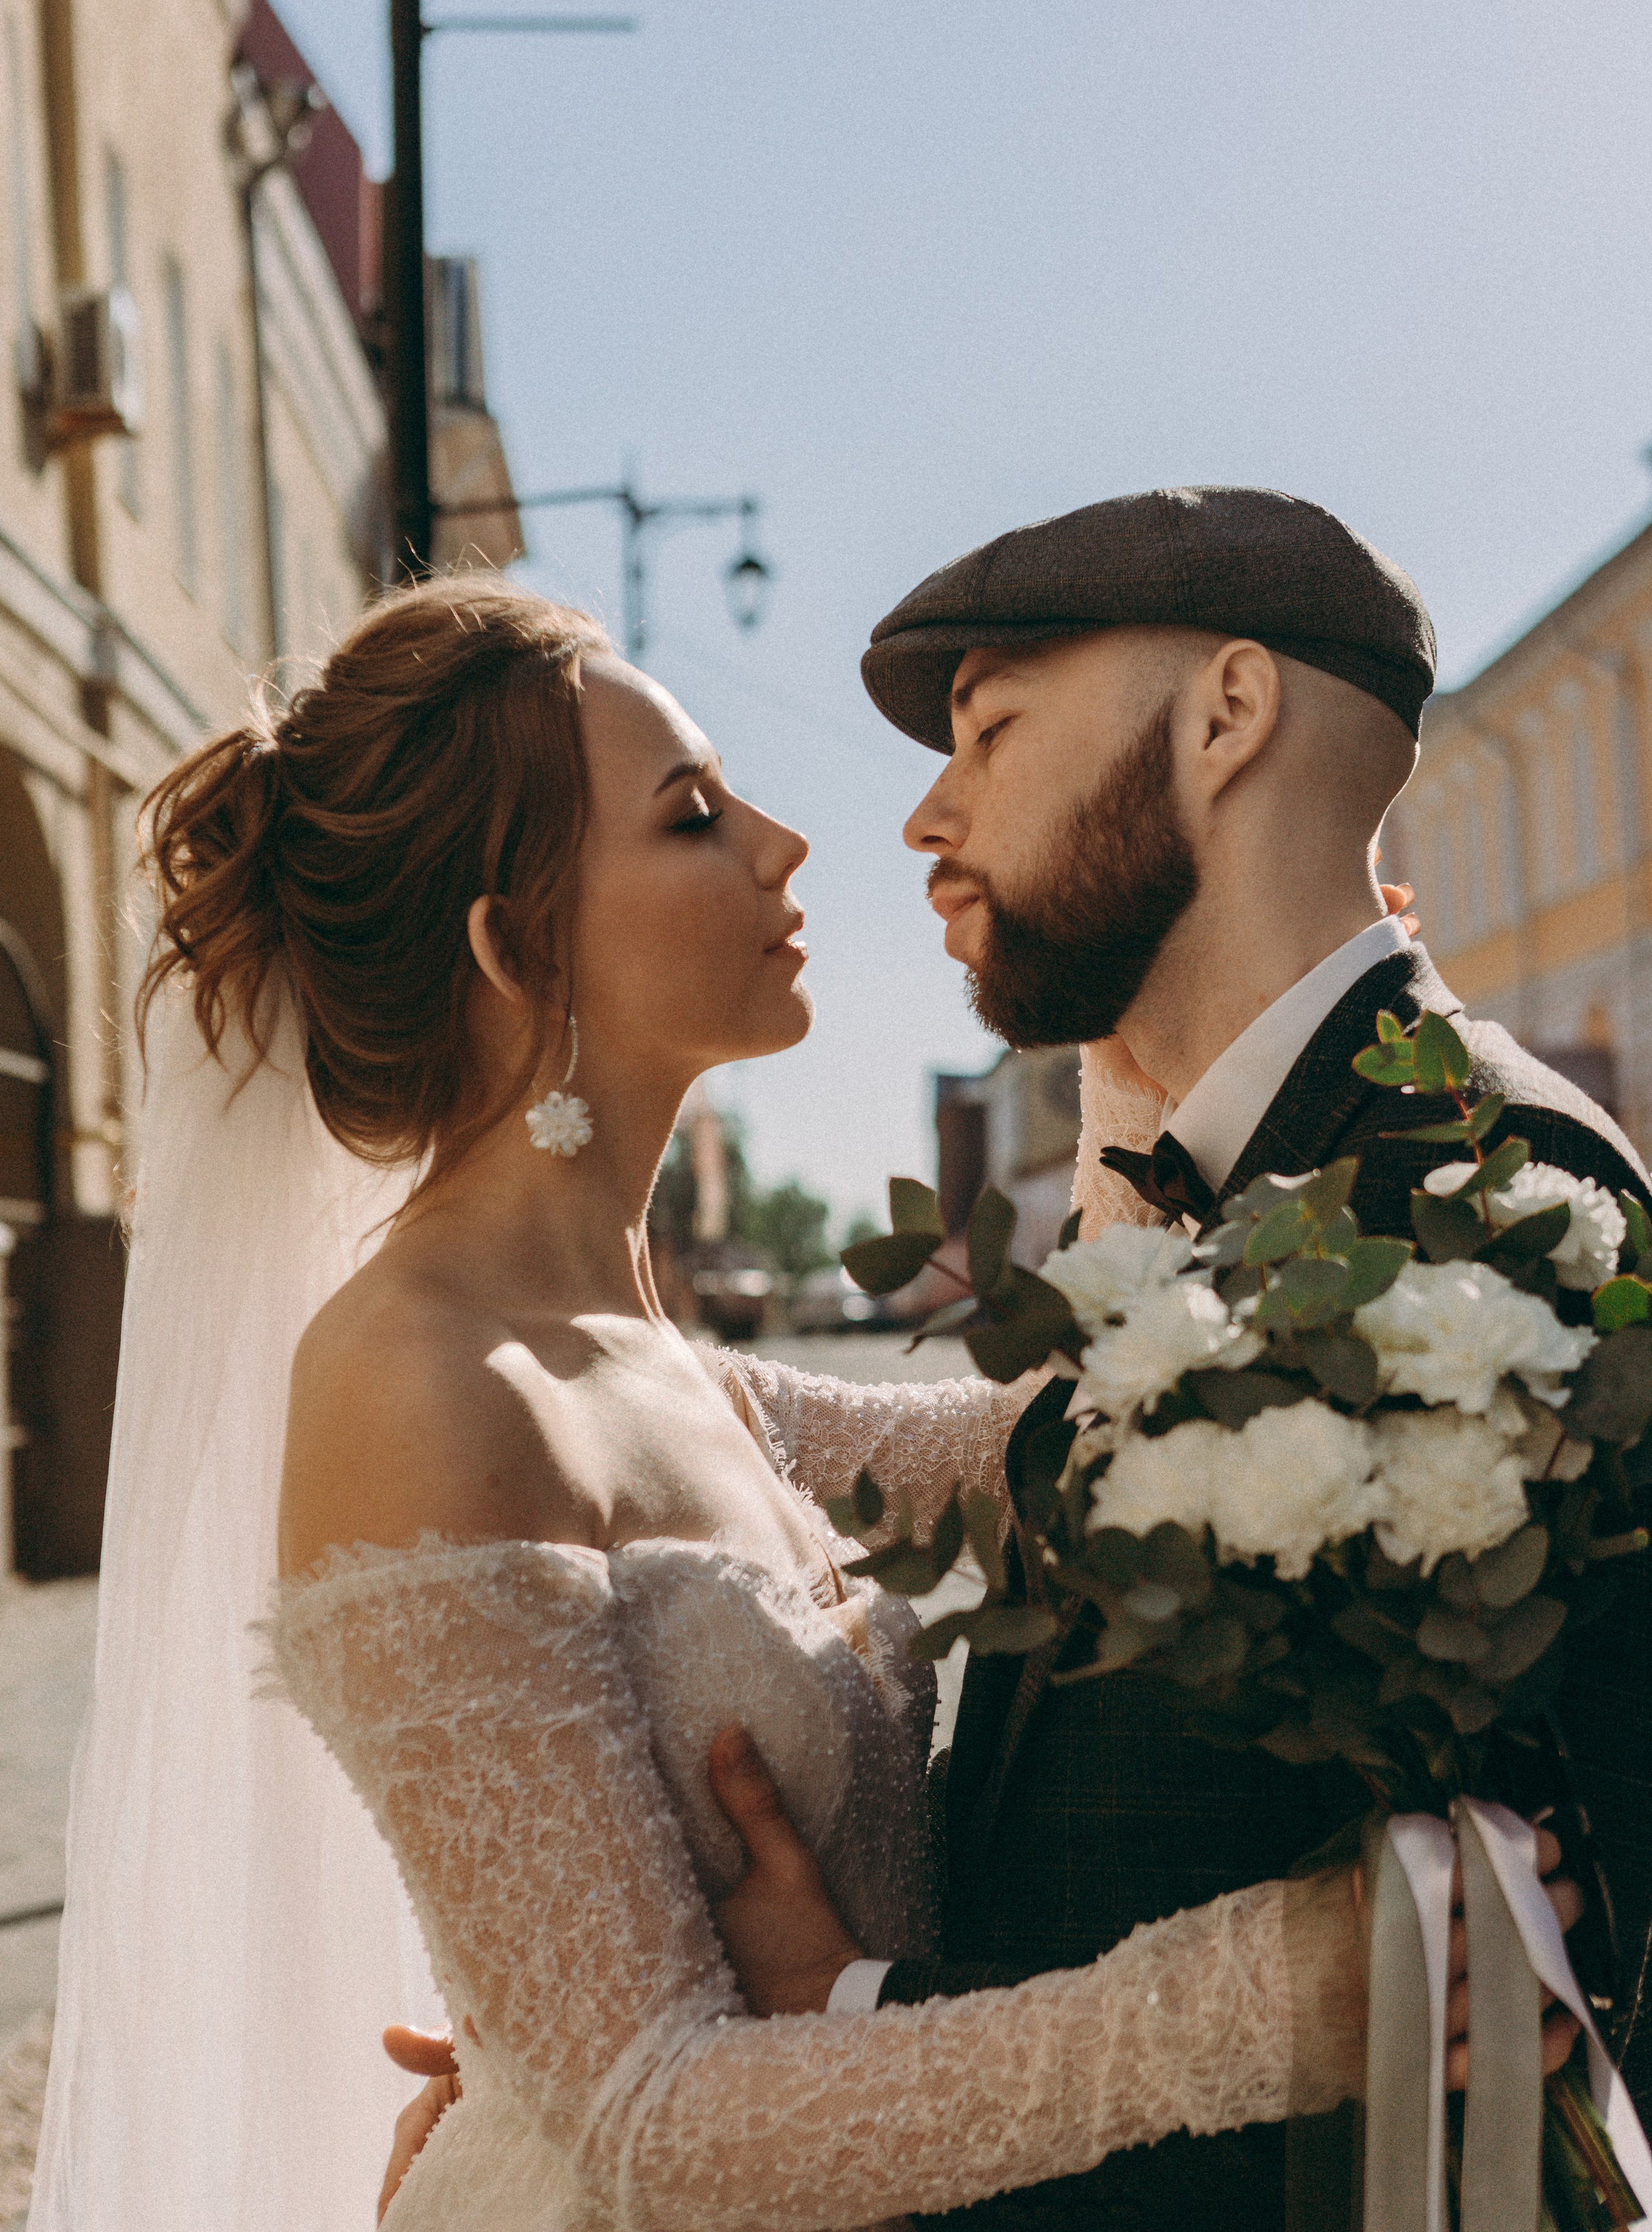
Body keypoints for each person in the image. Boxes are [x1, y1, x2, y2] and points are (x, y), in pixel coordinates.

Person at [31, 573, 1402, 2232]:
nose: (783, 844)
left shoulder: (667, 1364)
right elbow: (641, 2116)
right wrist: (1265, 2004)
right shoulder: (417, 1379)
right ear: (515, 944)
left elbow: (1067, 1443)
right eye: (690, 818)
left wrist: (1197, 1006)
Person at [616, 485, 1652, 2232]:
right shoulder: (1213, 1187)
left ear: (1229, 716)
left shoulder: (1483, 1218)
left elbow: (1482, 2001)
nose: (929, 821)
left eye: (993, 735)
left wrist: (844, 2029)